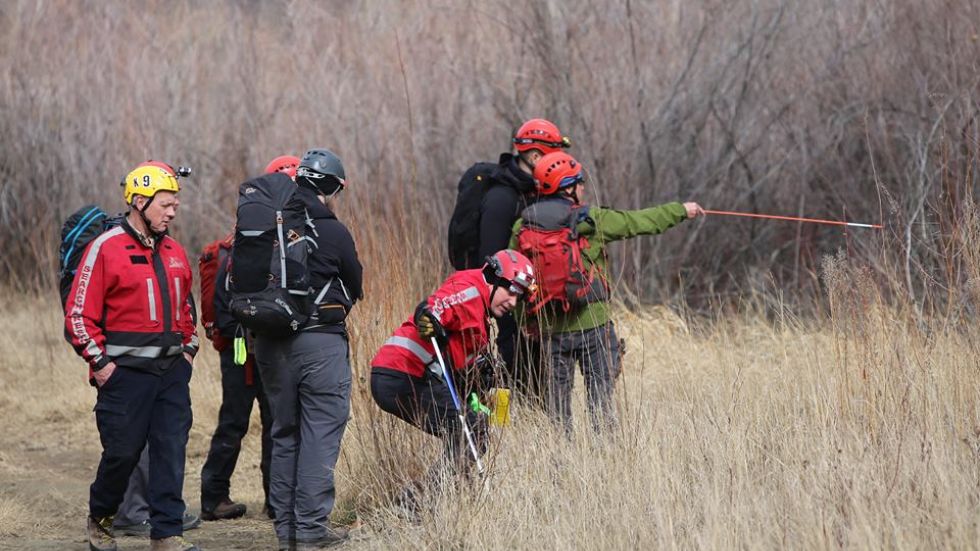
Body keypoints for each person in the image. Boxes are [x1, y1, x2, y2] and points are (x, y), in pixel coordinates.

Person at [510, 152, 704, 434]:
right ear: (567, 187)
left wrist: (525, 322)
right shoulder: (590, 220)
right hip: (594, 326)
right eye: (579, 182)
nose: (583, 187)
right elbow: (637, 221)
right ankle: (606, 461)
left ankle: (560, 469)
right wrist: (680, 211)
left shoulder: (522, 227)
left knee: (557, 413)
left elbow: (513, 278)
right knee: (601, 405)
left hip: (550, 330)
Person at [65, 161, 201, 551]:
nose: (173, 211)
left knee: (170, 453)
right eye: (165, 204)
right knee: (122, 455)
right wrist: (102, 365)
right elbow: (77, 315)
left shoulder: (175, 250)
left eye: (176, 204)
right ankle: (101, 520)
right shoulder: (105, 248)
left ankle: (167, 534)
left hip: (171, 373)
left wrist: (188, 351)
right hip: (125, 376)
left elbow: (186, 309)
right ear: (139, 202)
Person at [251, 148, 363, 551]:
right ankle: (311, 531)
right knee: (319, 436)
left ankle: (286, 534)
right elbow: (355, 283)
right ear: (332, 187)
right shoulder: (333, 231)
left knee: (284, 434)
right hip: (319, 344)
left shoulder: (263, 223)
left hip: (268, 343)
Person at [370, 249, 537, 501]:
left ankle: (433, 499)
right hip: (402, 375)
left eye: (519, 296)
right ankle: (417, 503)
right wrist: (428, 317)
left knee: (472, 432)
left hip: (408, 377)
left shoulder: (481, 317)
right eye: (511, 291)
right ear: (493, 277)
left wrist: (486, 392)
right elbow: (436, 305)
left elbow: (462, 379)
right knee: (472, 432)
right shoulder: (470, 289)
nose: (513, 302)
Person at [198, 155, 299, 522]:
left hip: (240, 349)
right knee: (262, 421)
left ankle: (221, 497)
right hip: (248, 350)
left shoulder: (245, 234)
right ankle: (264, 501)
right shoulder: (263, 240)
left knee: (243, 420)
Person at [447, 118, 570, 402]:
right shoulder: (503, 198)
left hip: (522, 301)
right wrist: (510, 301)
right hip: (504, 305)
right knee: (507, 368)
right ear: (536, 156)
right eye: (554, 153)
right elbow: (489, 260)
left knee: (529, 369)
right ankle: (510, 423)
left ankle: (531, 417)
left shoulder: (531, 192)